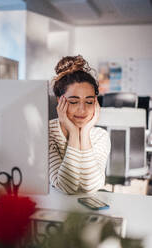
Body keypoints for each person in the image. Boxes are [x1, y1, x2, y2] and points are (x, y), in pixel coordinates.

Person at [49, 55, 111, 194]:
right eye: (73, 101)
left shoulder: (100, 136)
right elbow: (66, 187)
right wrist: (73, 132)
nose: (82, 110)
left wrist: (84, 132)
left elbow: (91, 187)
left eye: (89, 102)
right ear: (60, 101)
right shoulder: (48, 132)